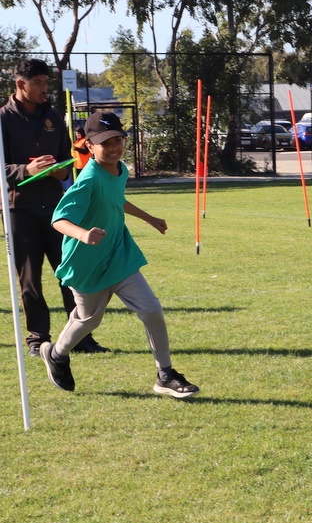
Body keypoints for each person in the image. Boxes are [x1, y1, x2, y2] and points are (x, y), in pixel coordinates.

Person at [39, 111, 199, 398]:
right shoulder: (88, 179)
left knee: (151, 308)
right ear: (89, 146)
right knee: (89, 320)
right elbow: (58, 219)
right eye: (105, 142)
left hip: (118, 255)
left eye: (118, 140)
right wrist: (83, 234)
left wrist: (149, 218)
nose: (114, 147)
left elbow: (117, 200)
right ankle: (57, 354)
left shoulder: (120, 169)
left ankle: (165, 374)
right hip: (86, 263)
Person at [1, 58, 107, 357]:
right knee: (30, 278)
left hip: (57, 210)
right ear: (20, 85)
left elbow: (68, 158)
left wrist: (63, 170)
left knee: (70, 273)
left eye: (46, 82)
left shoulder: (54, 116)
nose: (45, 88)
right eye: (38, 83)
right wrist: (26, 170)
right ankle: (38, 340)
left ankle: (80, 337)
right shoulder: (3, 119)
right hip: (18, 209)